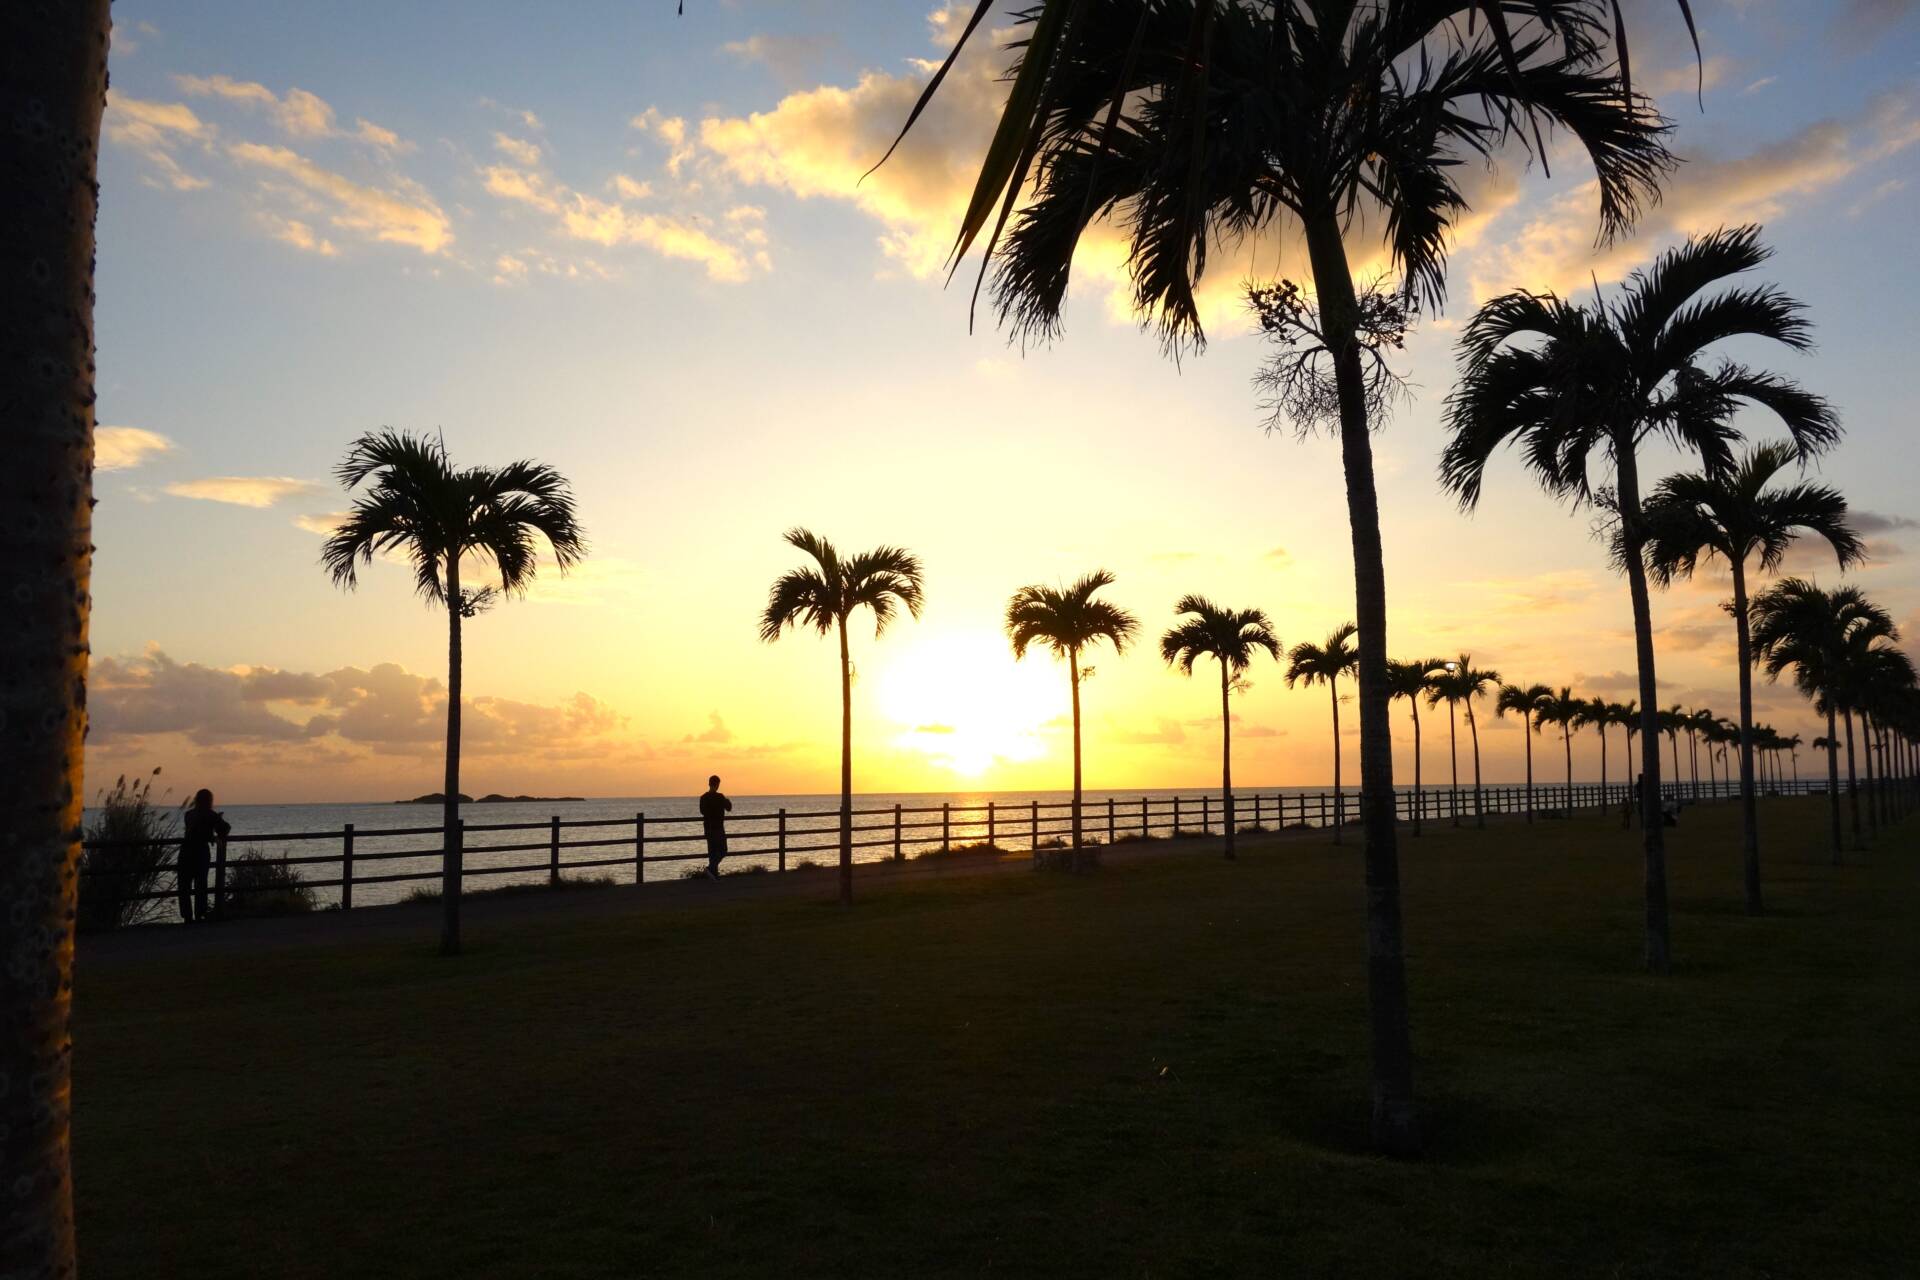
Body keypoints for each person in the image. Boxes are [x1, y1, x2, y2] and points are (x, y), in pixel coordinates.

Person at [179, 788, 231, 923]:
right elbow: (225, 828)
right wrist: (214, 830)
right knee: (201, 884)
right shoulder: (211, 815)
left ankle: (187, 916)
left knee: (184, 885)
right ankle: (200, 914)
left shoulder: (188, 814)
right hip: (201, 852)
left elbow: (194, 830)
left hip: (185, 852)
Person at [698, 775, 732, 878]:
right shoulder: (720, 797)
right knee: (722, 850)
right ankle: (711, 869)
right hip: (718, 828)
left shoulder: (703, 797)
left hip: (708, 828)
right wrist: (726, 800)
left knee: (712, 852)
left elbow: (702, 811)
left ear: (709, 784)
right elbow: (729, 808)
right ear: (717, 785)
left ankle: (713, 874)